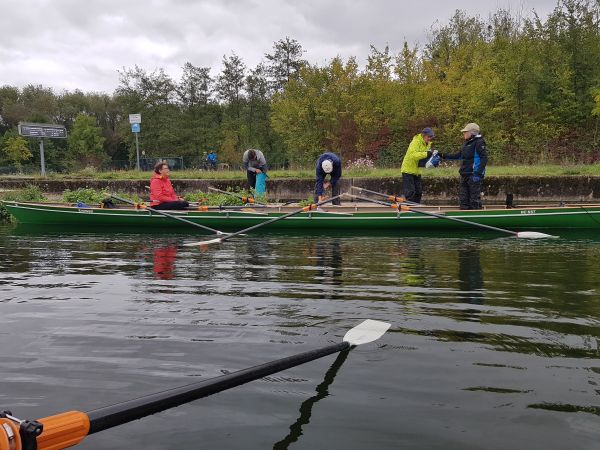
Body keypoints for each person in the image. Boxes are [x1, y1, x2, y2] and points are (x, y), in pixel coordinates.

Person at [441, 123, 488, 210]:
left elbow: (484, 159)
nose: (464, 134)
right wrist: (443, 155)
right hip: (464, 174)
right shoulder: (466, 144)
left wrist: (477, 173)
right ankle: (464, 211)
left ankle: (476, 214)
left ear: (472, 133)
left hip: (474, 175)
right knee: (463, 200)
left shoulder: (479, 142)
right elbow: (458, 156)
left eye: (465, 132)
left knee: (474, 200)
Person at [400, 127, 437, 203]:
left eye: (431, 137)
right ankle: (410, 210)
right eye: (429, 136)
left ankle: (417, 208)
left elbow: (423, 158)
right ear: (423, 135)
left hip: (417, 171)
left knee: (419, 192)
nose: (430, 138)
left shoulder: (428, 144)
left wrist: (433, 161)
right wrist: (426, 154)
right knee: (410, 193)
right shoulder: (415, 142)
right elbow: (413, 155)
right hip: (408, 170)